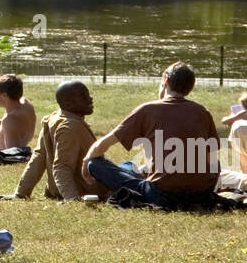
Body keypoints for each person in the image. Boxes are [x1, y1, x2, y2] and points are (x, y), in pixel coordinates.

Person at [80, 62, 219, 208]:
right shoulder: (203, 112)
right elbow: (213, 161)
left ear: (165, 81)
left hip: (161, 196)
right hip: (199, 195)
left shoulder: (148, 110)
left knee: (95, 164)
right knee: (128, 166)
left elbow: (103, 145)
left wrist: (86, 162)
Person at [1, 80, 108, 201]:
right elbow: (62, 166)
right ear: (68, 104)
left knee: (126, 167)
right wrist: (72, 199)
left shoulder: (53, 119)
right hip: (85, 190)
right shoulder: (71, 127)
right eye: (83, 97)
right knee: (128, 168)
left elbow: (38, 157)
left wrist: (21, 193)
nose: (90, 99)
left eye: (87, 94)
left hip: (59, 189)